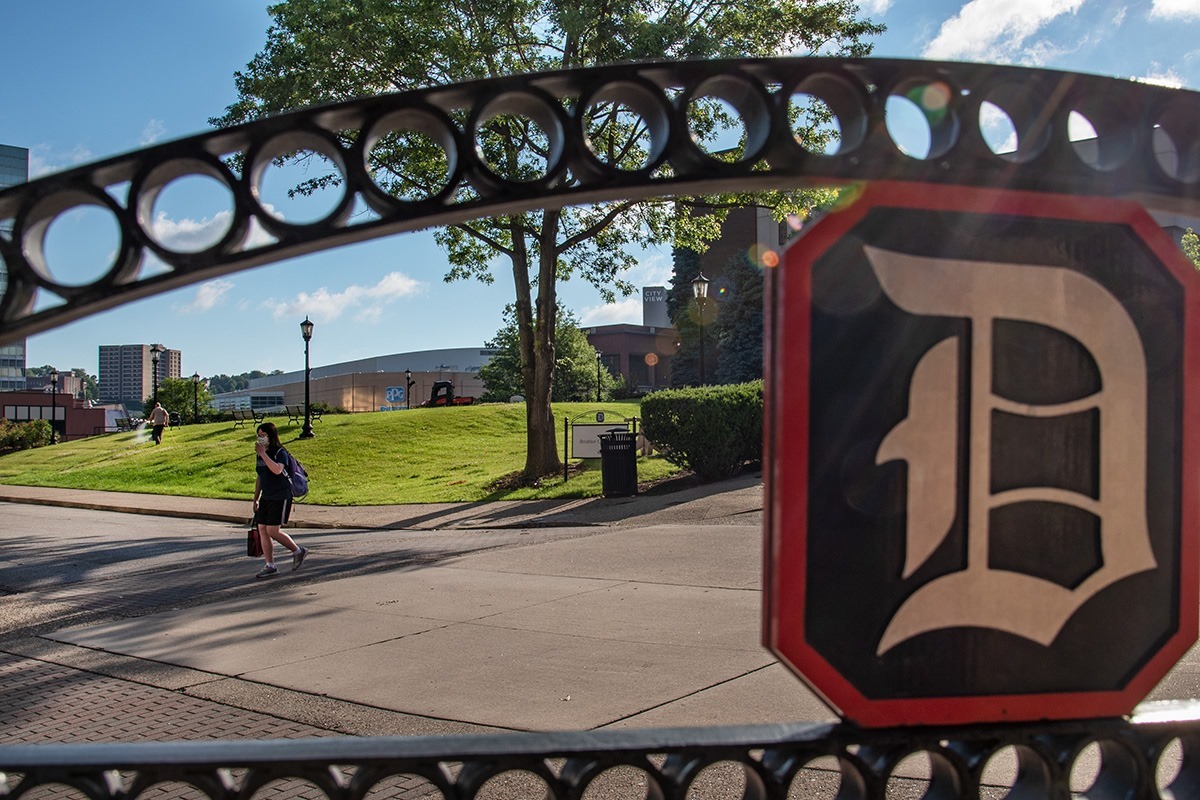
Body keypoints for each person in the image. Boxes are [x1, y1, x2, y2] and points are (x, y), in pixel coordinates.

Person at [252, 422, 309, 579]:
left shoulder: (279, 452)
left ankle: (298, 551)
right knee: (262, 528)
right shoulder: (261, 454)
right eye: (259, 435)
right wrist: (255, 498)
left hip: (281, 495)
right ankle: (270, 565)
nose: (260, 438)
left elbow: (277, 470)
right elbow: (260, 476)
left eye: (263, 435)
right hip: (267, 495)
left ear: (271, 436)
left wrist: (263, 454)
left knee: (272, 530)